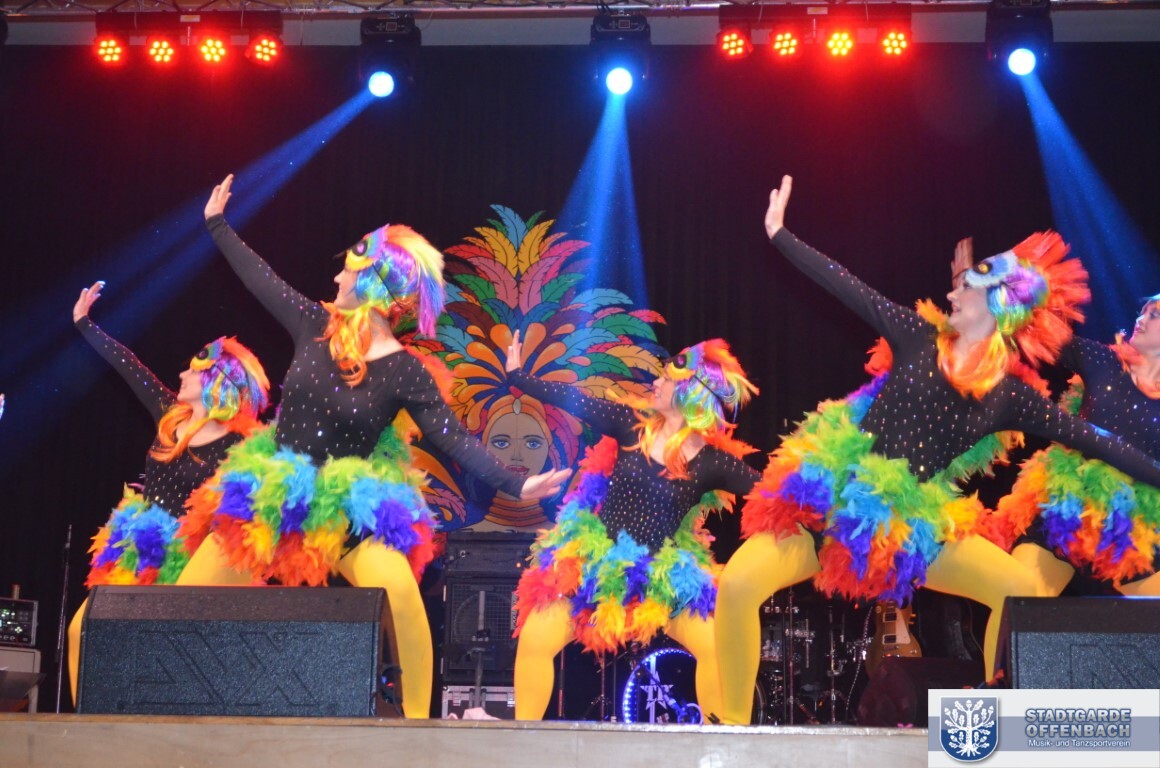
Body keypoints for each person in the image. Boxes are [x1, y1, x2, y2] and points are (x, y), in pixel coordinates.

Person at [713, 176, 1160, 725]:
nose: (949, 294)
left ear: (995, 306)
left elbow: (1098, 441)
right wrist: (780, 234)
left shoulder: (1011, 396)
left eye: (963, 289)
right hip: (831, 501)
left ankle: (996, 723)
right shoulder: (917, 336)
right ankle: (728, 732)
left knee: (1018, 590)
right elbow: (847, 286)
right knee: (738, 584)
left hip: (910, 527)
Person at [178, 174, 570, 719]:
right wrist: (217, 225)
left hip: (347, 510)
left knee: (401, 596)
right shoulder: (313, 323)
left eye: (349, 269)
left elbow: (453, 439)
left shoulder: (406, 372)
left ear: (375, 287)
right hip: (271, 500)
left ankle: (416, 730)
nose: (337, 275)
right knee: (180, 604)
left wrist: (519, 483)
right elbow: (258, 277)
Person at [507, 330, 761, 721]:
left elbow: (770, 491)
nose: (655, 382)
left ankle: (719, 741)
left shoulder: (712, 462)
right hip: (596, 568)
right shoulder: (631, 425)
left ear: (689, 393)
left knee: (714, 646)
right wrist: (519, 377)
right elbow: (577, 400)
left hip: (659, 578)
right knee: (535, 640)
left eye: (666, 378)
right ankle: (522, 739)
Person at [67, 279, 270, 703]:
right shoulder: (169, 415)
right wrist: (85, 323)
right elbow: (128, 365)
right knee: (81, 629)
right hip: (143, 548)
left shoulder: (240, 445)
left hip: (196, 558)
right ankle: (86, 723)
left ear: (216, 380)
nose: (180, 375)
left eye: (191, 371)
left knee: (172, 648)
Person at [985, 277, 1160, 596]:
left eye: (1155, 314)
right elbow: (1040, 330)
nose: (1141, 319)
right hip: (1068, 510)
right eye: (1143, 311)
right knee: (1019, 598)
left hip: (1138, 528)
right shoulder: (1103, 362)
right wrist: (1003, 289)